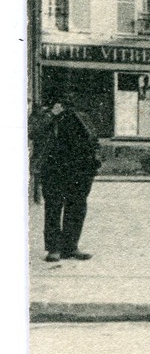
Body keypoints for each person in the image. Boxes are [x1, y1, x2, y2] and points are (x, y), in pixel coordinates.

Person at [30, 97, 101, 262]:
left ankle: (70, 247)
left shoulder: (81, 116)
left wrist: (95, 159)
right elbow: (32, 132)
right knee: (54, 207)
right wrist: (52, 115)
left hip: (80, 169)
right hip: (54, 168)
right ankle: (54, 249)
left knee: (77, 207)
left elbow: (93, 139)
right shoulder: (43, 114)